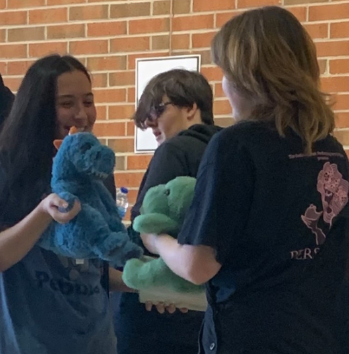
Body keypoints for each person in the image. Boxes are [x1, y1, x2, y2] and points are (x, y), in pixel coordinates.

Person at [140, 6, 349, 354]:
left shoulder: (235, 145)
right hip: (321, 333)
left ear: (246, 77)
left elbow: (197, 265)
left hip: (252, 335)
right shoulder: (328, 146)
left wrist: (155, 238)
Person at [0, 54, 131, 354]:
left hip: (96, 340)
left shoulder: (95, 170)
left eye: (88, 101)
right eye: (67, 103)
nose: (82, 115)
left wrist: (147, 282)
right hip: (30, 342)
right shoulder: (9, 167)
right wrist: (44, 211)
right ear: (39, 109)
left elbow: (95, 266)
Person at [113, 69, 222, 354]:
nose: (151, 122)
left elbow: (145, 227)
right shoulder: (230, 151)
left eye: (159, 109)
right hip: (212, 311)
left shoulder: (176, 150)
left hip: (161, 310)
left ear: (191, 107)